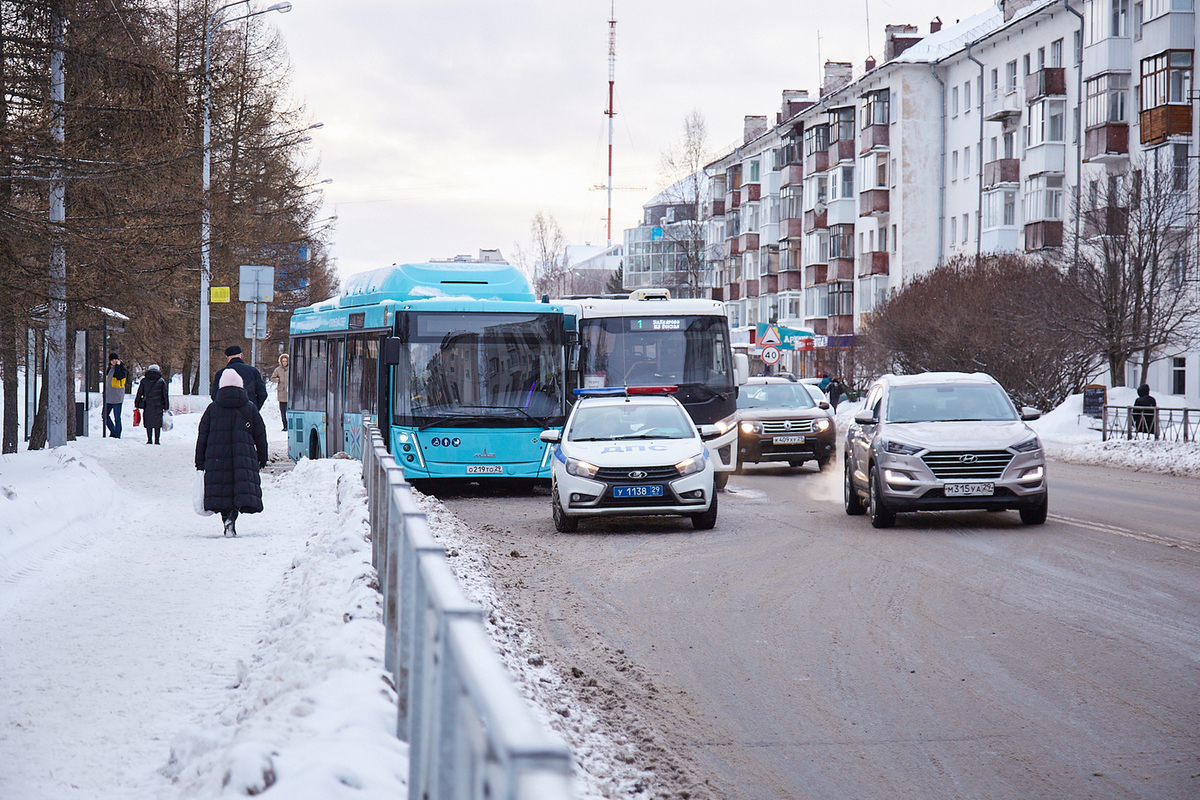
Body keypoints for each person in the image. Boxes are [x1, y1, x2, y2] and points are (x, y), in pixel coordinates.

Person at [196, 369, 269, 537]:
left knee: (222, 488)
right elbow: (260, 433)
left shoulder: (212, 409)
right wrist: (262, 456)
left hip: (216, 457)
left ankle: (226, 518)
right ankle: (232, 516)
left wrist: (199, 460)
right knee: (238, 487)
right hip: (243, 456)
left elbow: (203, 436)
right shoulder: (249, 407)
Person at [211, 344, 267, 410]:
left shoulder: (221, 373)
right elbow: (262, 394)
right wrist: (254, 408)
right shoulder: (253, 371)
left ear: (228, 358)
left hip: (227, 412)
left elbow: (214, 395)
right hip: (248, 411)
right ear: (242, 356)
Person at [134, 363, 170, 445]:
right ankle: (157, 440)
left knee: (148, 421)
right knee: (157, 422)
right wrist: (166, 406)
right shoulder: (161, 381)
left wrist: (137, 403)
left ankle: (149, 439)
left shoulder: (144, 381)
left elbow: (139, 393)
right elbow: (165, 394)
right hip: (158, 404)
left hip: (147, 404)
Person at [104, 353, 127, 438]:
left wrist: (117, 366)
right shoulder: (109, 369)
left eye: (115, 359)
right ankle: (113, 431)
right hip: (108, 397)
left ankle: (117, 434)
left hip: (117, 397)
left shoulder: (122, 369)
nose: (114, 361)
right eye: (112, 360)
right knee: (105, 415)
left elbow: (119, 376)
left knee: (117, 417)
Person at [271, 353, 289, 432]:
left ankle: (290, 425)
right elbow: (272, 378)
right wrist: (278, 380)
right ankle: (285, 425)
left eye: (286, 361)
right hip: (281, 393)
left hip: (290, 394)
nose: (284, 362)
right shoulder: (278, 370)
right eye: (283, 361)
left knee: (290, 411)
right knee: (283, 411)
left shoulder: (291, 369)